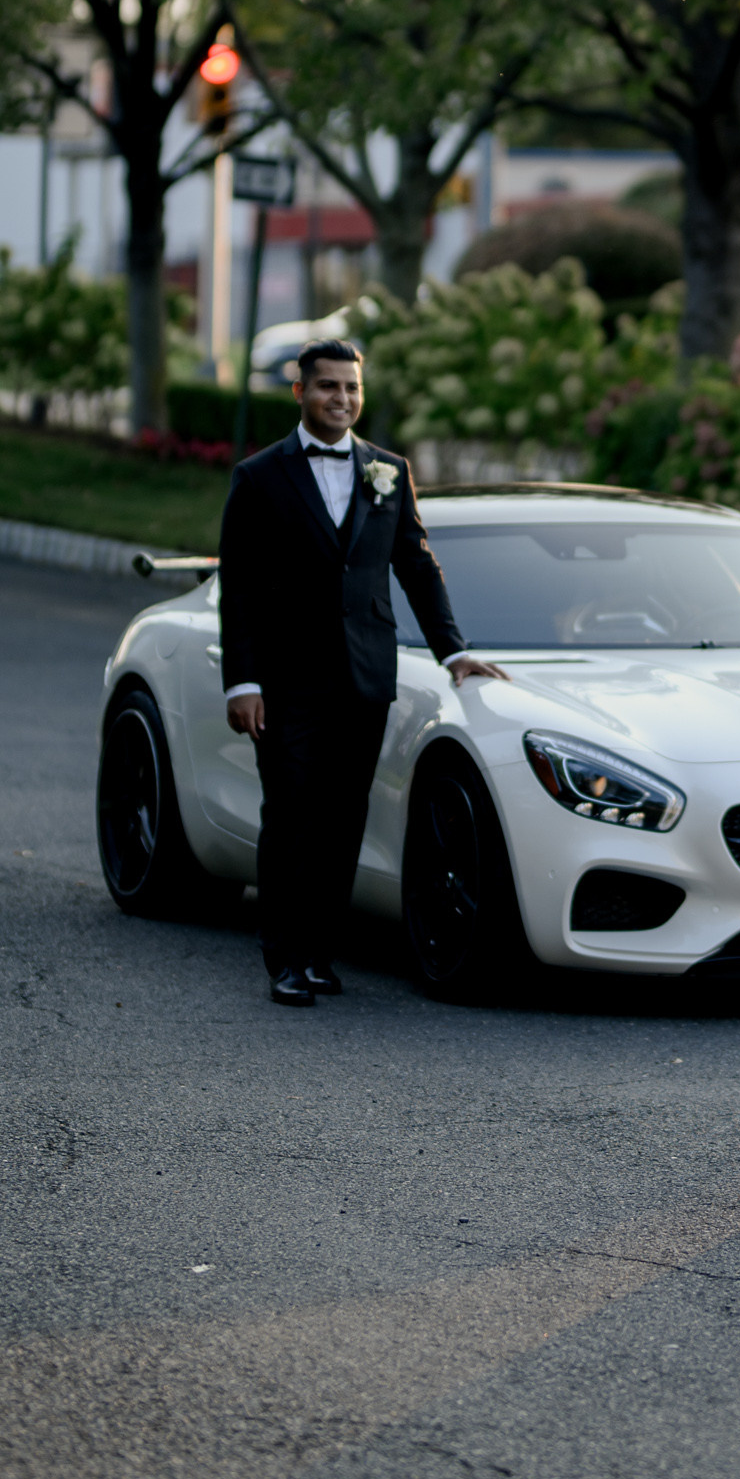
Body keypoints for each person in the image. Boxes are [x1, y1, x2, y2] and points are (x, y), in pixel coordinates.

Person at [218, 339, 506, 1006]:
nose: (341, 399)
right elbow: (241, 588)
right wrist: (244, 681)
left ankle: (319, 952)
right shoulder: (259, 478)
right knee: (290, 815)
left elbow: (418, 566)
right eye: (327, 387)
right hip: (286, 684)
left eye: (351, 387)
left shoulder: (388, 471)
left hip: (363, 678)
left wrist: (453, 650)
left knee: (344, 818)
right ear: (299, 392)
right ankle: (284, 961)